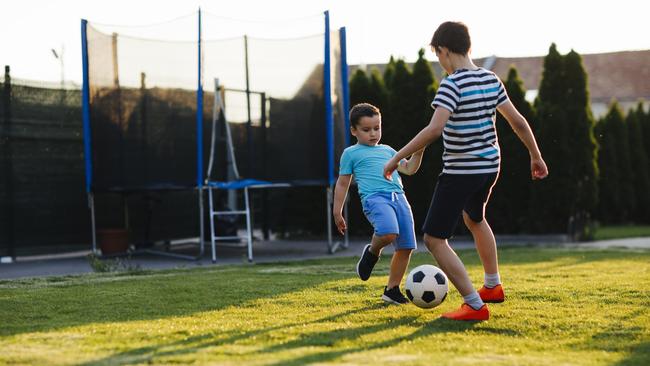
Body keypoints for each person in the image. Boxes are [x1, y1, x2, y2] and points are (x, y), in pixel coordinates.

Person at [383, 21, 548, 321]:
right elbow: (518, 121)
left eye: (438, 57)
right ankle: (492, 286)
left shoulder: (452, 84)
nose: (440, 63)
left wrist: (397, 158)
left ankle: (473, 304)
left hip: (462, 171)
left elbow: (434, 130)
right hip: (490, 167)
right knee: (475, 217)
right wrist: (535, 156)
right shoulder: (491, 79)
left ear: (444, 51)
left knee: (434, 239)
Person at [333, 103, 425, 305]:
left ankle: (391, 290)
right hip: (374, 198)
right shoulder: (351, 153)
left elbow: (409, 169)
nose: (373, 133)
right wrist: (337, 211)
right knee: (388, 233)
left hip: (399, 198)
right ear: (353, 131)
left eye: (377, 128)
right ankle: (372, 252)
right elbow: (342, 183)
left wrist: (418, 152)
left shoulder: (388, 150)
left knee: (406, 246)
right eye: (366, 130)